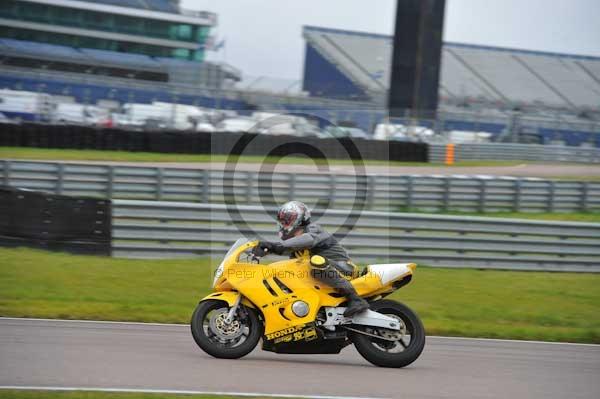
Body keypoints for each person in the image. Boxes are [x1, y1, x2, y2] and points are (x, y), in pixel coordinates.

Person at [254, 201, 369, 317]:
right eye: (283, 221)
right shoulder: (295, 247)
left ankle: (355, 299)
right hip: (324, 274)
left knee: (315, 261)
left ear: (301, 218)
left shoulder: (313, 229)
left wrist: (274, 245)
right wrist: (264, 250)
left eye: (288, 220)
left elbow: (308, 240)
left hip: (344, 269)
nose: (285, 224)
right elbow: (286, 253)